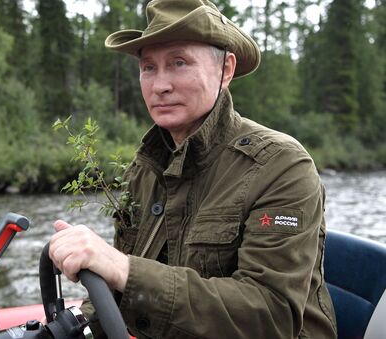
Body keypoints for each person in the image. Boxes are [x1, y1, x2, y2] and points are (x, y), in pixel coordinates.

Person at [48, 0, 337, 337]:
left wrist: (122, 268)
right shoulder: (144, 169)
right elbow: (118, 291)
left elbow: (271, 317)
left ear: (225, 70)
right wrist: (77, 327)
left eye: (179, 63)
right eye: (148, 68)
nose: (160, 85)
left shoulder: (281, 166)